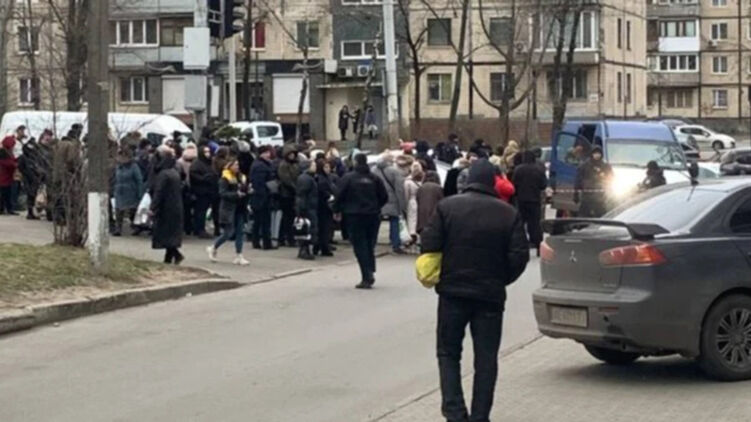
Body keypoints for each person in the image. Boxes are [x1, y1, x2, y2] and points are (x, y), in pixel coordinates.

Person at [420, 159, 529, 422]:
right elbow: (519, 256)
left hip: (452, 293)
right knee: (486, 359)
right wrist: (500, 279)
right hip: (490, 295)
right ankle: (480, 416)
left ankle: (455, 412)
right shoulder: (508, 213)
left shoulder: (447, 207)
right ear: (493, 182)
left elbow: (429, 244)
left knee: (448, 353)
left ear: (468, 180)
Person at [333, 153, 388, 289]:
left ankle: (366, 274)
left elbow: (339, 195)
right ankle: (370, 269)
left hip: (354, 215)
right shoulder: (374, 178)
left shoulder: (348, 178)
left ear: (355, 162)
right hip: (372, 214)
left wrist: (337, 210)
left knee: (359, 245)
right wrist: (376, 206)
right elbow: (384, 196)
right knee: (370, 244)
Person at [207, 159, 251, 265]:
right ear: (229, 166)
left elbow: (244, 189)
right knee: (228, 232)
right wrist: (236, 194)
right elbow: (222, 193)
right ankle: (214, 247)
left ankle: (239, 255)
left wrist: (248, 191)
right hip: (229, 208)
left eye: (238, 164)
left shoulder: (241, 177)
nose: (237, 167)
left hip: (240, 207)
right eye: (234, 165)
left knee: (240, 232)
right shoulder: (225, 178)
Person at [150, 148, 184, 264]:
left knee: (164, 234)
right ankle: (169, 258)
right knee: (171, 234)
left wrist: (153, 208)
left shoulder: (163, 175)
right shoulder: (174, 173)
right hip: (176, 206)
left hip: (165, 209)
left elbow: (159, 192)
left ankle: (175, 255)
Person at [513, 151, 548, 255]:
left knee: (520, 224)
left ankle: (522, 244)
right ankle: (538, 245)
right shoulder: (538, 170)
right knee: (535, 224)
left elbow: (514, 184)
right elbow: (543, 185)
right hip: (534, 200)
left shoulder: (518, 169)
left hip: (521, 200)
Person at [375, 152, 407, 254]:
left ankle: (372, 243)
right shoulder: (394, 171)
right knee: (394, 221)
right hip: (392, 200)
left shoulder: (373, 170)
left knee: (376, 222)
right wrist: (402, 205)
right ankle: (395, 244)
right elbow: (399, 189)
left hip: (377, 201)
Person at [112, 148, 144, 236]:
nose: (120, 158)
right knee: (118, 210)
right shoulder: (118, 167)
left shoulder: (134, 167)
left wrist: (140, 193)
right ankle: (118, 229)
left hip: (131, 191)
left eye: (122, 156)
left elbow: (139, 180)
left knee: (132, 210)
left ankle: (135, 226)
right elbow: (114, 178)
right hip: (119, 191)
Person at [190, 144, 220, 239]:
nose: (207, 154)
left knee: (203, 211)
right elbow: (194, 176)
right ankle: (200, 229)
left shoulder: (209, 163)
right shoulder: (196, 164)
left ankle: (200, 229)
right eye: (205, 152)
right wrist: (204, 178)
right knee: (200, 211)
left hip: (209, 190)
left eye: (208, 152)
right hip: (201, 191)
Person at [574, 146, 613, 218]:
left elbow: (611, 178)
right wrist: (576, 194)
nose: (597, 155)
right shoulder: (585, 165)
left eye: (599, 153)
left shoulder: (605, 166)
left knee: (602, 216)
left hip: (600, 198)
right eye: (595, 153)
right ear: (592, 154)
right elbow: (578, 179)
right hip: (587, 197)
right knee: (584, 216)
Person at [250, 145, 276, 250]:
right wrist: (266, 193)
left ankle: (256, 241)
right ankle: (266, 243)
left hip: (259, 197)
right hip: (262, 197)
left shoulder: (259, 164)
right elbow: (259, 183)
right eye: (266, 153)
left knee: (258, 221)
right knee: (264, 221)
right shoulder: (261, 166)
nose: (268, 155)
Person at [277, 144, 300, 247]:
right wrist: (295, 187)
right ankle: (287, 238)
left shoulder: (295, 164)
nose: (292, 156)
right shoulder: (283, 165)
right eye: (290, 154)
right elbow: (286, 179)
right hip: (286, 194)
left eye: (293, 154)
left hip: (293, 193)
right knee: (287, 217)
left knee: (290, 217)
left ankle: (286, 237)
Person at [296, 159, 319, 260]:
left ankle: (305, 250)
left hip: (310, 206)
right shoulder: (306, 179)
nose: (315, 167)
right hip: (308, 207)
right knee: (307, 229)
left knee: (308, 229)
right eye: (313, 165)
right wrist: (302, 209)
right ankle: (304, 250)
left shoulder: (309, 178)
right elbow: (302, 195)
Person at [17, 138, 44, 219]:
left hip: (34, 177)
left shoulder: (34, 156)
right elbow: (21, 167)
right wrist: (26, 174)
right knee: (30, 195)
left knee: (33, 195)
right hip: (28, 178)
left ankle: (31, 212)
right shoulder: (24, 157)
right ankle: (30, 212)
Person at [315, 158, 336, 257]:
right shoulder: (321, 179)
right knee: (324, 227)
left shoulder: (327, 178)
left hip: (325, 206)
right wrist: (330, 196)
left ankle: (321, 246)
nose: (328, 169)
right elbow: (323, 192)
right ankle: (324, 247)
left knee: (325, 227)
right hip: (323, 206)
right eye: (326, 167)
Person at [177, 143, 197, 235]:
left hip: (184, 187)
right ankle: (191, 226)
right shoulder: (197, 161)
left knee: (185, 208)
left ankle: (185, 226)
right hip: (195, 186)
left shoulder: (180, 161)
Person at [416, 170, 443, 236]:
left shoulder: (421, 187)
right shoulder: (438, 188)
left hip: (422, 214)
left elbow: (417, 199)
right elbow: (442, 201)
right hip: (434, 214)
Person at [405, 163, 424, 243]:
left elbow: (406, 194)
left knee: (411, 218)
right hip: (421, 201)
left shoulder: (408, 181)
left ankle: (412, 234)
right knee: (419, 218)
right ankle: (419, 235)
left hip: (412, 201)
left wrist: (405, 204)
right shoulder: (423, 180)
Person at [0, 136, 17, 215]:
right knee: (4, 194)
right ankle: (3, 209)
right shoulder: (3, 153)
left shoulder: (9, 152)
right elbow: (6, 163)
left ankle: (8, 209)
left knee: (8, 194)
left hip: (8, 176)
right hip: (4, 176)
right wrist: (14, 164)